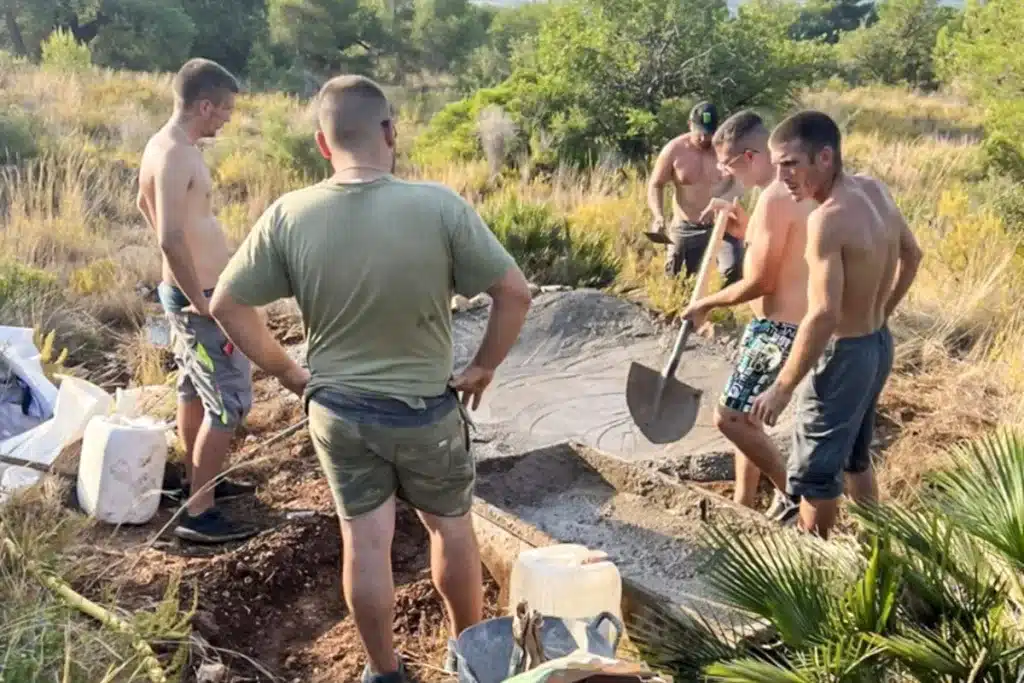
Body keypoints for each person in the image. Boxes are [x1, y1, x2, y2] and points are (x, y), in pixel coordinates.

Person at [208, 75, 532, 683]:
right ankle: (471, 657)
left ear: (322, 144)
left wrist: (290, 374)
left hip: (339, 413)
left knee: (366, 542)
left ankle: (384, 671)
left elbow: (226, 303)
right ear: (390, 131)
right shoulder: (439, 206)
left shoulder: (289, 213)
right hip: (427, 413)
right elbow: (514, 293)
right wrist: (483, 365)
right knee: (450, 530)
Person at [750, 110, 923, 540]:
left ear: (825, 157)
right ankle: (876, 549)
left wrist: (782, 387)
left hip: (844, 356)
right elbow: (913, 255)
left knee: (815, 475)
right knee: (855, 460)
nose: (782, 177)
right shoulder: (875, 190)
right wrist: (882, 312)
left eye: (791, 164)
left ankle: (812, 565)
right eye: (777, 165)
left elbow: (824, 313)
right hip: (877, 345)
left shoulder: (827, 219)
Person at [136, 57, 258, 545]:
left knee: (193, 390)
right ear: (204, 105)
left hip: (193, 292)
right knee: (229, 402)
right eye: (224, 109)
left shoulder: (164, 145)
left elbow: (142, 204)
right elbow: (169, 236)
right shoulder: (175, 154)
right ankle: (199, 513)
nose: (226, 119)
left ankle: (198, 480)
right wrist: (199, 300)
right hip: (199, 300)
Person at [679, 110, 815, 522]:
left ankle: (792, 496)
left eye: (729, 163)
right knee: (747, 416)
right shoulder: (786, 191)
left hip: (778, 329)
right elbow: (778, 251)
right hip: (780, 325)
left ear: (752, 156)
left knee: (731, 417)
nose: (725, 172)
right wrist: (743, 228)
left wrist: (707, 303)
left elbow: (762, 281)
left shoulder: (775, 196)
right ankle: (744, 499)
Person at [646, 101, 745, 285]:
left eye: (709, 133)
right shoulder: (674, 150)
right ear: (690, 124)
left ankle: (718, 302)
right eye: (700, 132)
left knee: (733, 270)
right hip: (687, 226)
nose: (704, 138)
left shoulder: (727, 150)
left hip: (722, 224)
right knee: (676, 279)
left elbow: (740, 185)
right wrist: (658, 216)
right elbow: (656, 184)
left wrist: (721, 202)